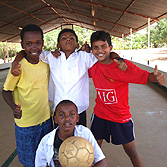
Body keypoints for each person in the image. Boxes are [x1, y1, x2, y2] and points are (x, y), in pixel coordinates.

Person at [11, 28, 127, 127]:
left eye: (71, 38)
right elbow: (26, 51)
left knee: (79, 140)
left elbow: (105, 53)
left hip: (79, 109)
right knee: (60, 139)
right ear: (58, 45)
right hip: (59, 108)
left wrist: (118, 58)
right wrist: (15, 62)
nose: (68, 39)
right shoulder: (51, 57)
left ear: (77, 45)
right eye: (64, 38)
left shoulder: (84, 57)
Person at [88, 31, 166, 167]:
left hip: (120, 117)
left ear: (110, 48)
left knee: (131, 151)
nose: (100, 50)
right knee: (94, 150)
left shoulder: (122, 66)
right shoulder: (92, 66)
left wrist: (157, 77)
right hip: (100, 114)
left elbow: (146, 76)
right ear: (91, 49)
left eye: (104, 46)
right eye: (96, 47)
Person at [2, 24, 53, 167]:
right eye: (29, 44)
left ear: (43, 43)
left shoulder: (46, 64)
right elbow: (6, 91)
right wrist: (13, 107)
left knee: (46, 157)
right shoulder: (18, 68)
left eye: (38, 43)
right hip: (26, 124)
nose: (34, 47)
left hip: (46, 119)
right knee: (29, 160)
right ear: (22, 45)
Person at [35, 100, 107, 167]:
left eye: (71, 114)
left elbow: (102, 162)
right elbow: (40, 164)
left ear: (77, 118)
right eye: (62, 115)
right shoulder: (46, 141)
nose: (67, 118)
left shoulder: (85, 134)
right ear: (55, 119)